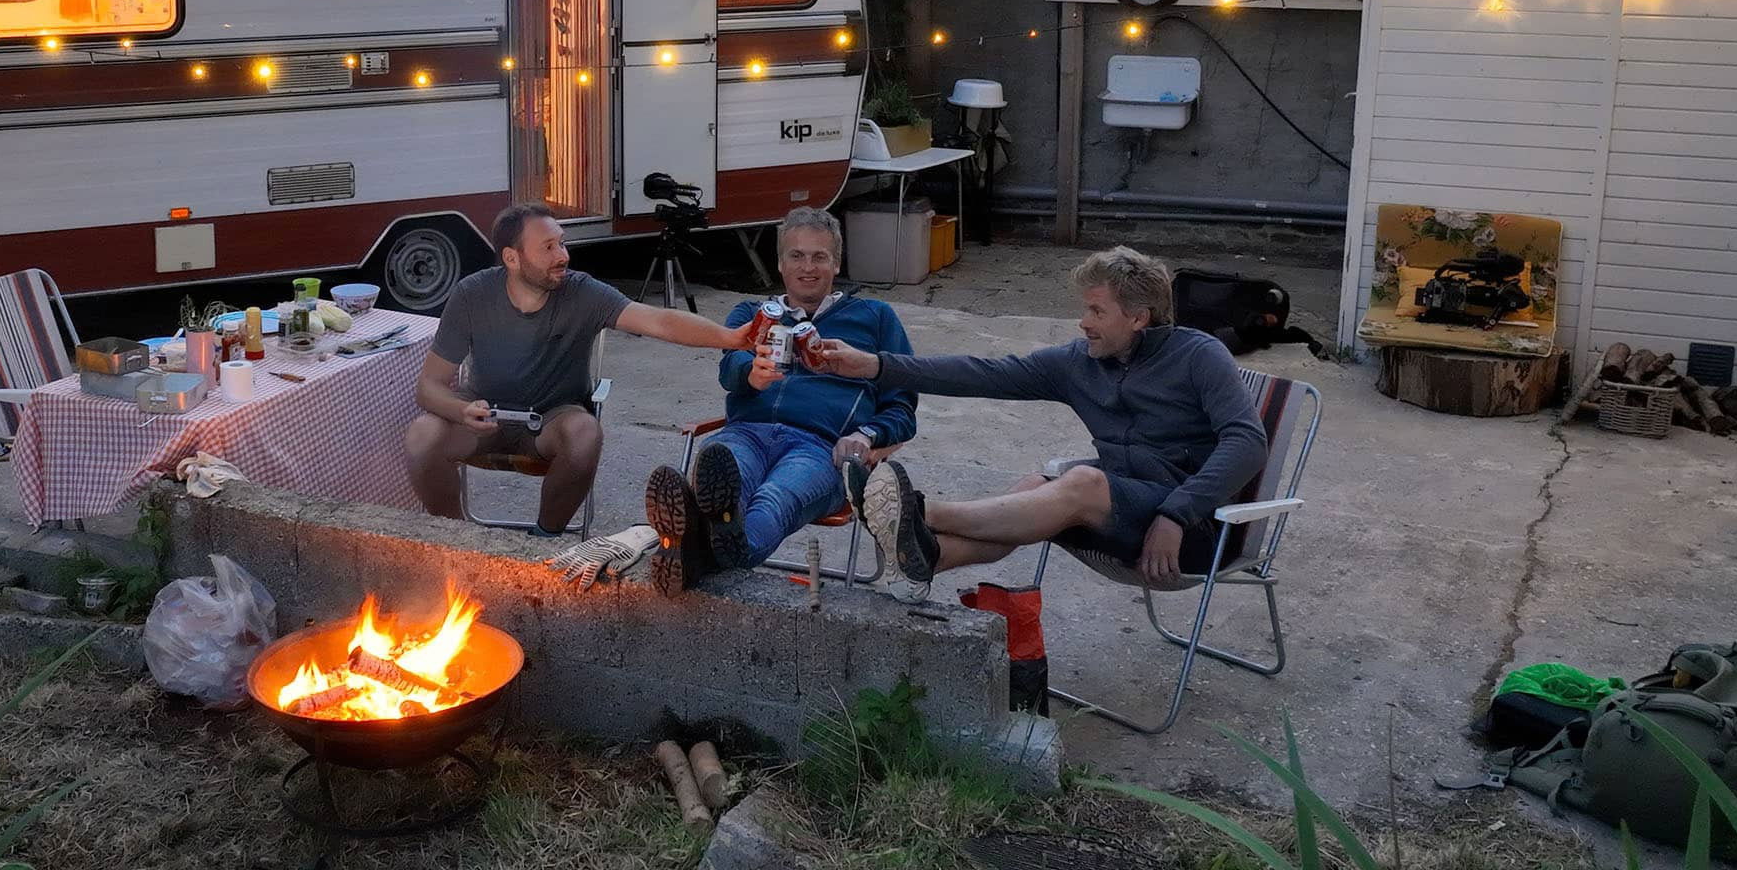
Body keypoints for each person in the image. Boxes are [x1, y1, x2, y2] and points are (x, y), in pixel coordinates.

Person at [799, 247, 1266, 588]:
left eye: (1096, 310)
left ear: (1139, 318)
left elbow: (1247, 443)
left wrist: (1176, 514)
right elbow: (982, 374)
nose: (1083, 322)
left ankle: (917, 512)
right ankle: (927, 553)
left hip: (1191, 531)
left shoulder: (1199, 355)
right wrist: (875, 364)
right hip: (1120, 508)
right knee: (1032, 488)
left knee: (1082, 482)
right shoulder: (1080, 362)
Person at [407, 202, 754, 535]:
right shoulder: (473, 295)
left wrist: (730, 338)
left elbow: (659, 320)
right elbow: (429, 387)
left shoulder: (582, 292)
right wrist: (460, 409)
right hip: (483, 417)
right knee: (422, 436)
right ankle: (454, 537)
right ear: (512, 258)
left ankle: (546, 538)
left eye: (562, 243)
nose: (563, 255)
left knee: (585, 433)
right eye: (548, 247)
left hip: (550, 421)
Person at [641, 207, 917, 585]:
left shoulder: (876, 317)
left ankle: (697, 551)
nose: (808, 267)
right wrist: (750, 375)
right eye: (797, 255)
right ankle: (710, 548)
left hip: (823, 446)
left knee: (775, 498)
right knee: (728, 480)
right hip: (747, 432)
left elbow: (903, 407)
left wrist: (866, 436)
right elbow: (729, 368)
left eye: (820, 256)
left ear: (836, 263)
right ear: (780, 263)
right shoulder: (753, 313)